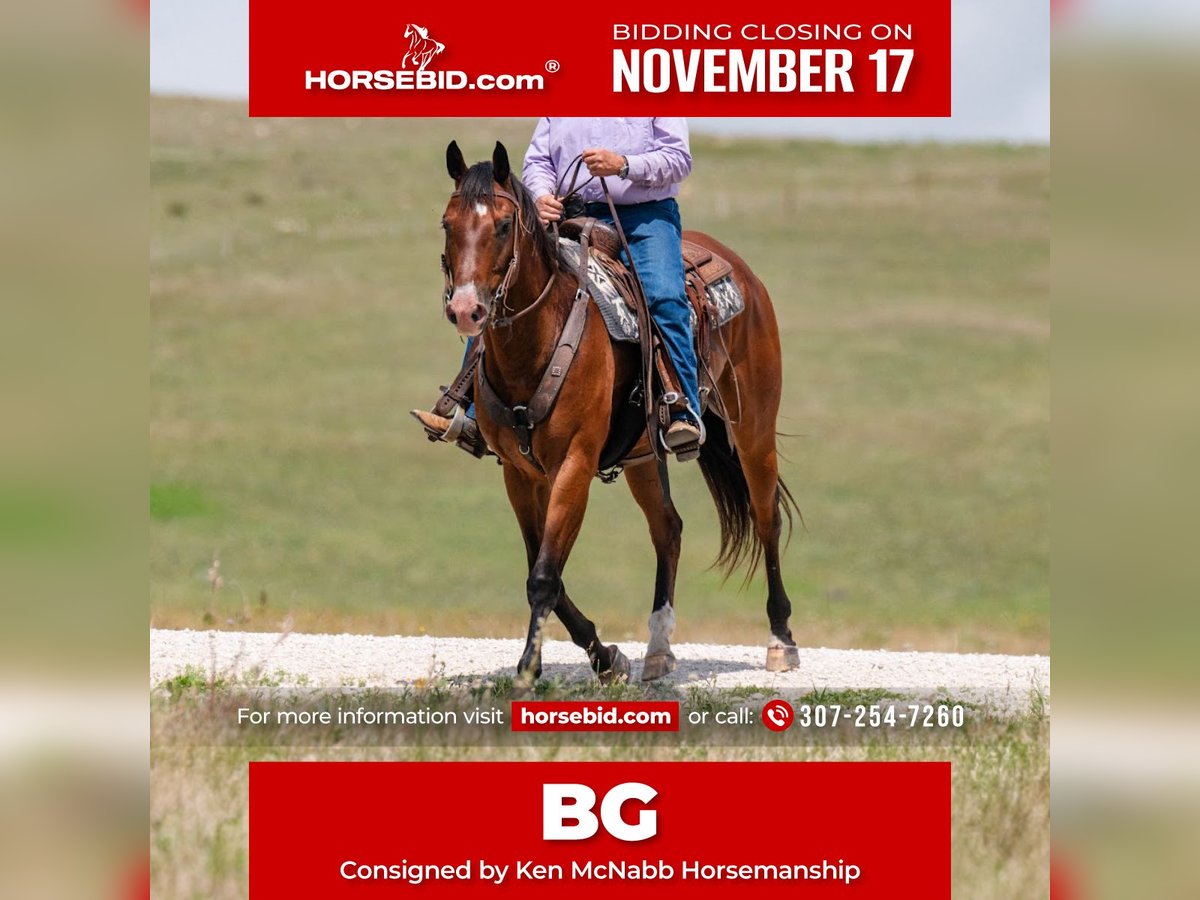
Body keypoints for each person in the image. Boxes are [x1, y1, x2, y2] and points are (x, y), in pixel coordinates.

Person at [414, 117, 703, 457]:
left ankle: (681, 409)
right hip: (569, 214)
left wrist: (624, 165)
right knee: (508, 287)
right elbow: (539, 161)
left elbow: (678, 158)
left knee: (664, 298)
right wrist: (541, 196)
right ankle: (473, 411)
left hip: (644, 217)